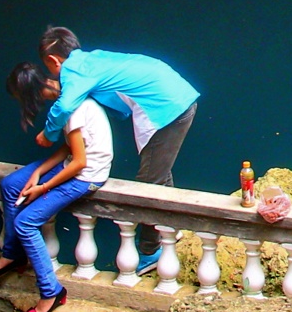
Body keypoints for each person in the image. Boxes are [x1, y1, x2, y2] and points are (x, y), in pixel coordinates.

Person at [35, 26, 200, 272]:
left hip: (167, 107)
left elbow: (65, 104)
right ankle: (169, 230)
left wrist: (48, 134)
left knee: (147, 184)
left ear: (52, 60)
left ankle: (150, 250)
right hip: (176, 98)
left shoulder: (73, 70)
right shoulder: (91, 59)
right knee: (159, 172)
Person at [0, 62, 111, 312]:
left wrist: (42, 187)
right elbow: (69, 149)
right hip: (72, 164)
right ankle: (13, 253)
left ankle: (52, 292)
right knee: (11, 184)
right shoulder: (67, 96)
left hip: (85, 177)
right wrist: (38, 171)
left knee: (26, 222)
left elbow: (79, 162)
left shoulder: (71, 108)